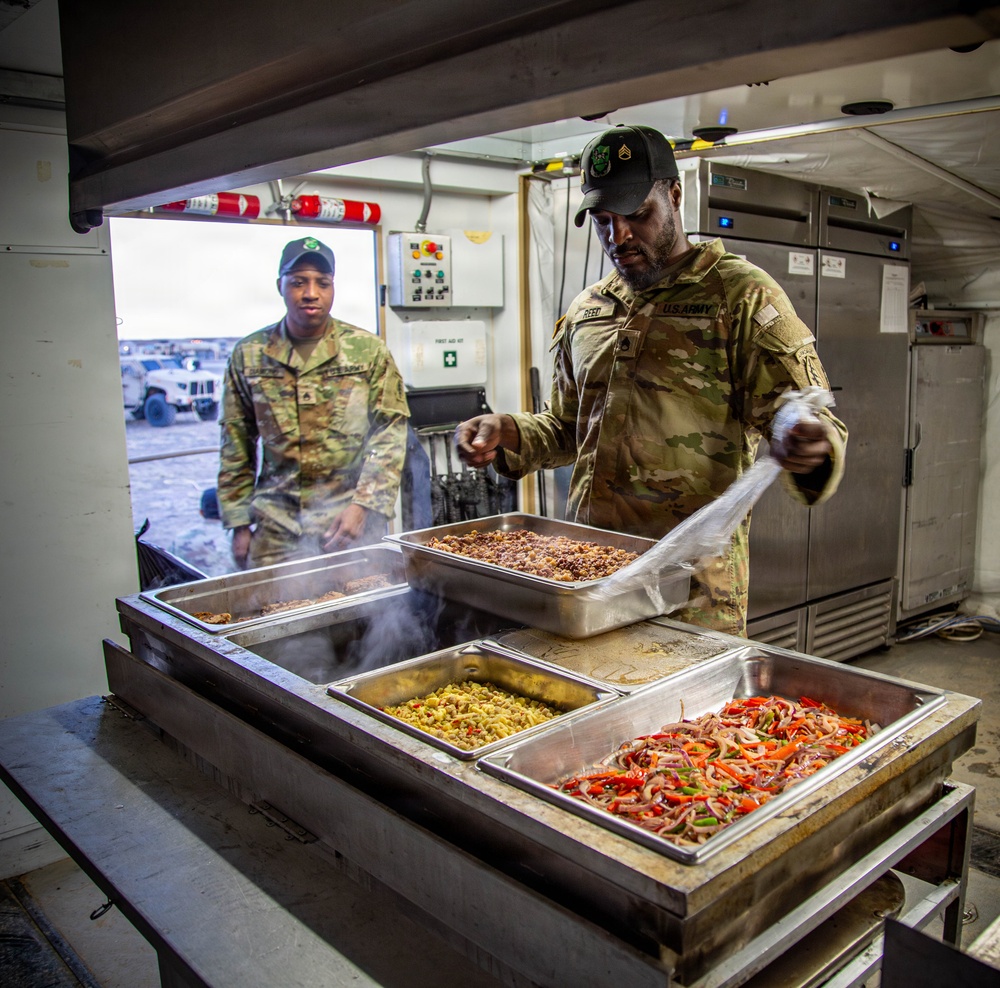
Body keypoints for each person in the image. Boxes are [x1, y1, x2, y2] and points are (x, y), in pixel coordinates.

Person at [454, 124, 848, 636]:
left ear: (674, 195)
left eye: (637, 215)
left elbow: (805, 419)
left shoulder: (739, 297)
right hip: (589, 577)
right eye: (602, 220)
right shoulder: (589, 310)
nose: (618, 236)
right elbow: (568, 429)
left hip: (690, 595)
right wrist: (507, 429)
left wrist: (811, 443)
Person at [218, 236, 410, 569]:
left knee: (367, 612)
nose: (311, 293)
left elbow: (389, 433)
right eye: (298, 282)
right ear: (280, 286)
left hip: (350, 521)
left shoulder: (367, 351)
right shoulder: (249, 355)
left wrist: (364, 505)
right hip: (277, 525)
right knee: (271, 613)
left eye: (323, 283)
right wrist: (237, 523)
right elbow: (236, 442)